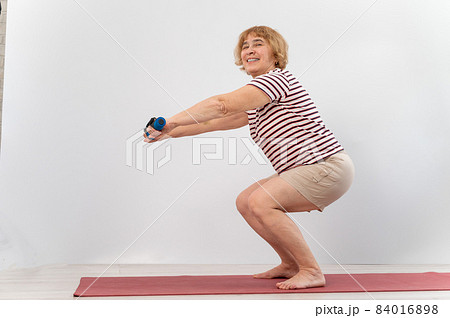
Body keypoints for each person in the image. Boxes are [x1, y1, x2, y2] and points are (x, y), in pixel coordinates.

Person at [144, 26, 355, 290]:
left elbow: (221, 104)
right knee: (246, 201)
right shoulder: (259, 100)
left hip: (326, 166)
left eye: (258, 44)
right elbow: (214, 122)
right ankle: (290, 264)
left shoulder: (276, 80)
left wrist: (172, 118)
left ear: (275, 55)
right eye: (245, 46)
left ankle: (311, 271)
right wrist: (169, 131)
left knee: (261, 202)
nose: (249, 50)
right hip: (305, 168)